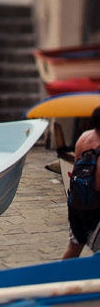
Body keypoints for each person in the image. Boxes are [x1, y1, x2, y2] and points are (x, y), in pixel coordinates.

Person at [62, 106, 100, 259]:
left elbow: (76, 164)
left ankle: (61, 279)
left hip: (76, 202)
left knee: (74, 247)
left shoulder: (84, 137)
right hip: (95, 206)